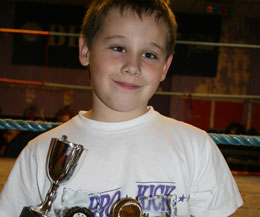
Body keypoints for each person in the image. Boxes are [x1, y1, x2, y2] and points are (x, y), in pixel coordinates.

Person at [0, 0, 243, 216]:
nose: (132, 66)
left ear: (165, 67)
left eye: (149, 54)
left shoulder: (196, 147)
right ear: (85, 50)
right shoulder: (38, 153)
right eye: (118, 48)